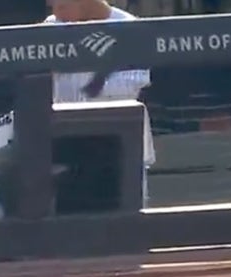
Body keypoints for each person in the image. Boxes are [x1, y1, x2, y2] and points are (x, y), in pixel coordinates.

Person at [45, 0, 154, 209]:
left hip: (119, 149)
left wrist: (89, 80)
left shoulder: (130, 28)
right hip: (67, 148)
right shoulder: (53, 27)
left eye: (60, 5)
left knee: (125, 229)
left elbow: (128, 88)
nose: (55, 12)